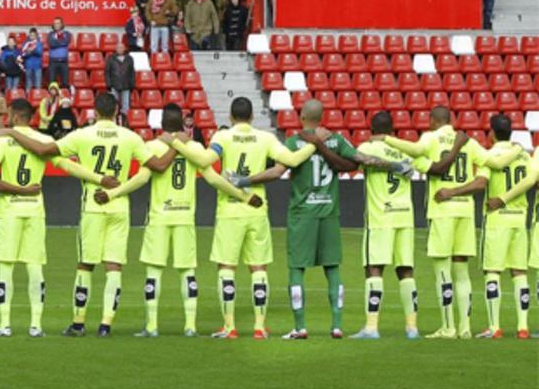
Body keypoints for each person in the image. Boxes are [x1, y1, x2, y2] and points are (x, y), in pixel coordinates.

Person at [2, 92, 177, 337]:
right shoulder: (131, 137)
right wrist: (179, 144)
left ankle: (79, 322)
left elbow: (43, 150)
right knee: (113, 266)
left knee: (85, 264)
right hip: (119, 206)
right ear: (116, 111)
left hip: (93, 206)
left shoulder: (83, 135)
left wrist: (12, 132)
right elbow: (158, 166)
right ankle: (106, 325)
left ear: (94, 111)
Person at [246, 100, 406, 339]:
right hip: (329, 212)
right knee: (332, 268)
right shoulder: (337, 140)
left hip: (302, 213)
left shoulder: (293, 142)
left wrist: (245, 181)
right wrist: (395, 165)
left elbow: (277, 172)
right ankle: (337, 325)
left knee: (296, 268)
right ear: (321, 117)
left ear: (302, 116)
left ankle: (300, 327)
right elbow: (362, 159)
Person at [0, 99, 99, 337]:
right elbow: (69, 166)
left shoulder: (4, 139)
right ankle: (36, 326)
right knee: (35, 267)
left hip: (10, 211)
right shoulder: (44, 140)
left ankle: (5, 325)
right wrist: (99, 179)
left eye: (9, 114)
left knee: (5, 267)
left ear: (16, 116)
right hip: (35, 210)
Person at [169, 97, 317, 339]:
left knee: (226, 267)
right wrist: (315, 144)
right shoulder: (265, 138)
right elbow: (291, 161)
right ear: (251, 117)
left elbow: (205, 161)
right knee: (258, 268)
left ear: (230, 117)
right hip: (257, 210)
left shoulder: (223, 137)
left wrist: (176, 143)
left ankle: (230, 327)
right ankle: (259, 327)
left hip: (230, 210)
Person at [105, 105, 258, 337]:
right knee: (187, 272)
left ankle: (152, 326)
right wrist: (243, 196)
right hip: (185, 216)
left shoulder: (154, 146)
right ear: (183, 124)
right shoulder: (194, 147)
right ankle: (190, 326)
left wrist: (113, 193)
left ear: (162, 124)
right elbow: (214, 179)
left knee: (153, 271)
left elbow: (140, 179)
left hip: (159, 217)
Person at [380, 106, 517, 338]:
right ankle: (465, 328)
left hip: (442, 211)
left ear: (433, 120)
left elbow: (415, 149)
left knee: (442, 271)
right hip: (465, 211)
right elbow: (496, 164)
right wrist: (516, 150)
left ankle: (448, 327)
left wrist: (386, 138)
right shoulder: (469, 142)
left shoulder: (431, 138)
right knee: (462, 271)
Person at [467, 115, 531, 338]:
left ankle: (495, 327)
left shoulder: (491, 155)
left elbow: (481, 182)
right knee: (519, 272)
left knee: (492, 271)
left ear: (492, 132)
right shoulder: (524, 154)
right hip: (520, 218)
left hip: (497, 219)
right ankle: (523, 327)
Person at [105, 42, 134, 114]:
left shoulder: (129, 58)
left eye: (122, 47)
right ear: (116, 49)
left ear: (124, 49)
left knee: (126, 107)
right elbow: (107, 71)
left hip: (126, 85)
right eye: (118, 47)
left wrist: (132, 84)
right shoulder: (111, 58)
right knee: (113, 105)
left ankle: (125, 121)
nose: (120, 49)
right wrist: (109, 84)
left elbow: (132, 72)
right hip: (114, 84)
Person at [46, 19, 71, 86]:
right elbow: (51, 44)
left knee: (65, 83)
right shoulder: (50, 34)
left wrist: (56, 41)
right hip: (53, 62)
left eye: (58, 23)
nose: (56, 25)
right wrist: (61, 42)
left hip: (63, 62)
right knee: (52, 83)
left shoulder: (67, 34)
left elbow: (66, 42)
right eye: (55, 23)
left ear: (62, 24)